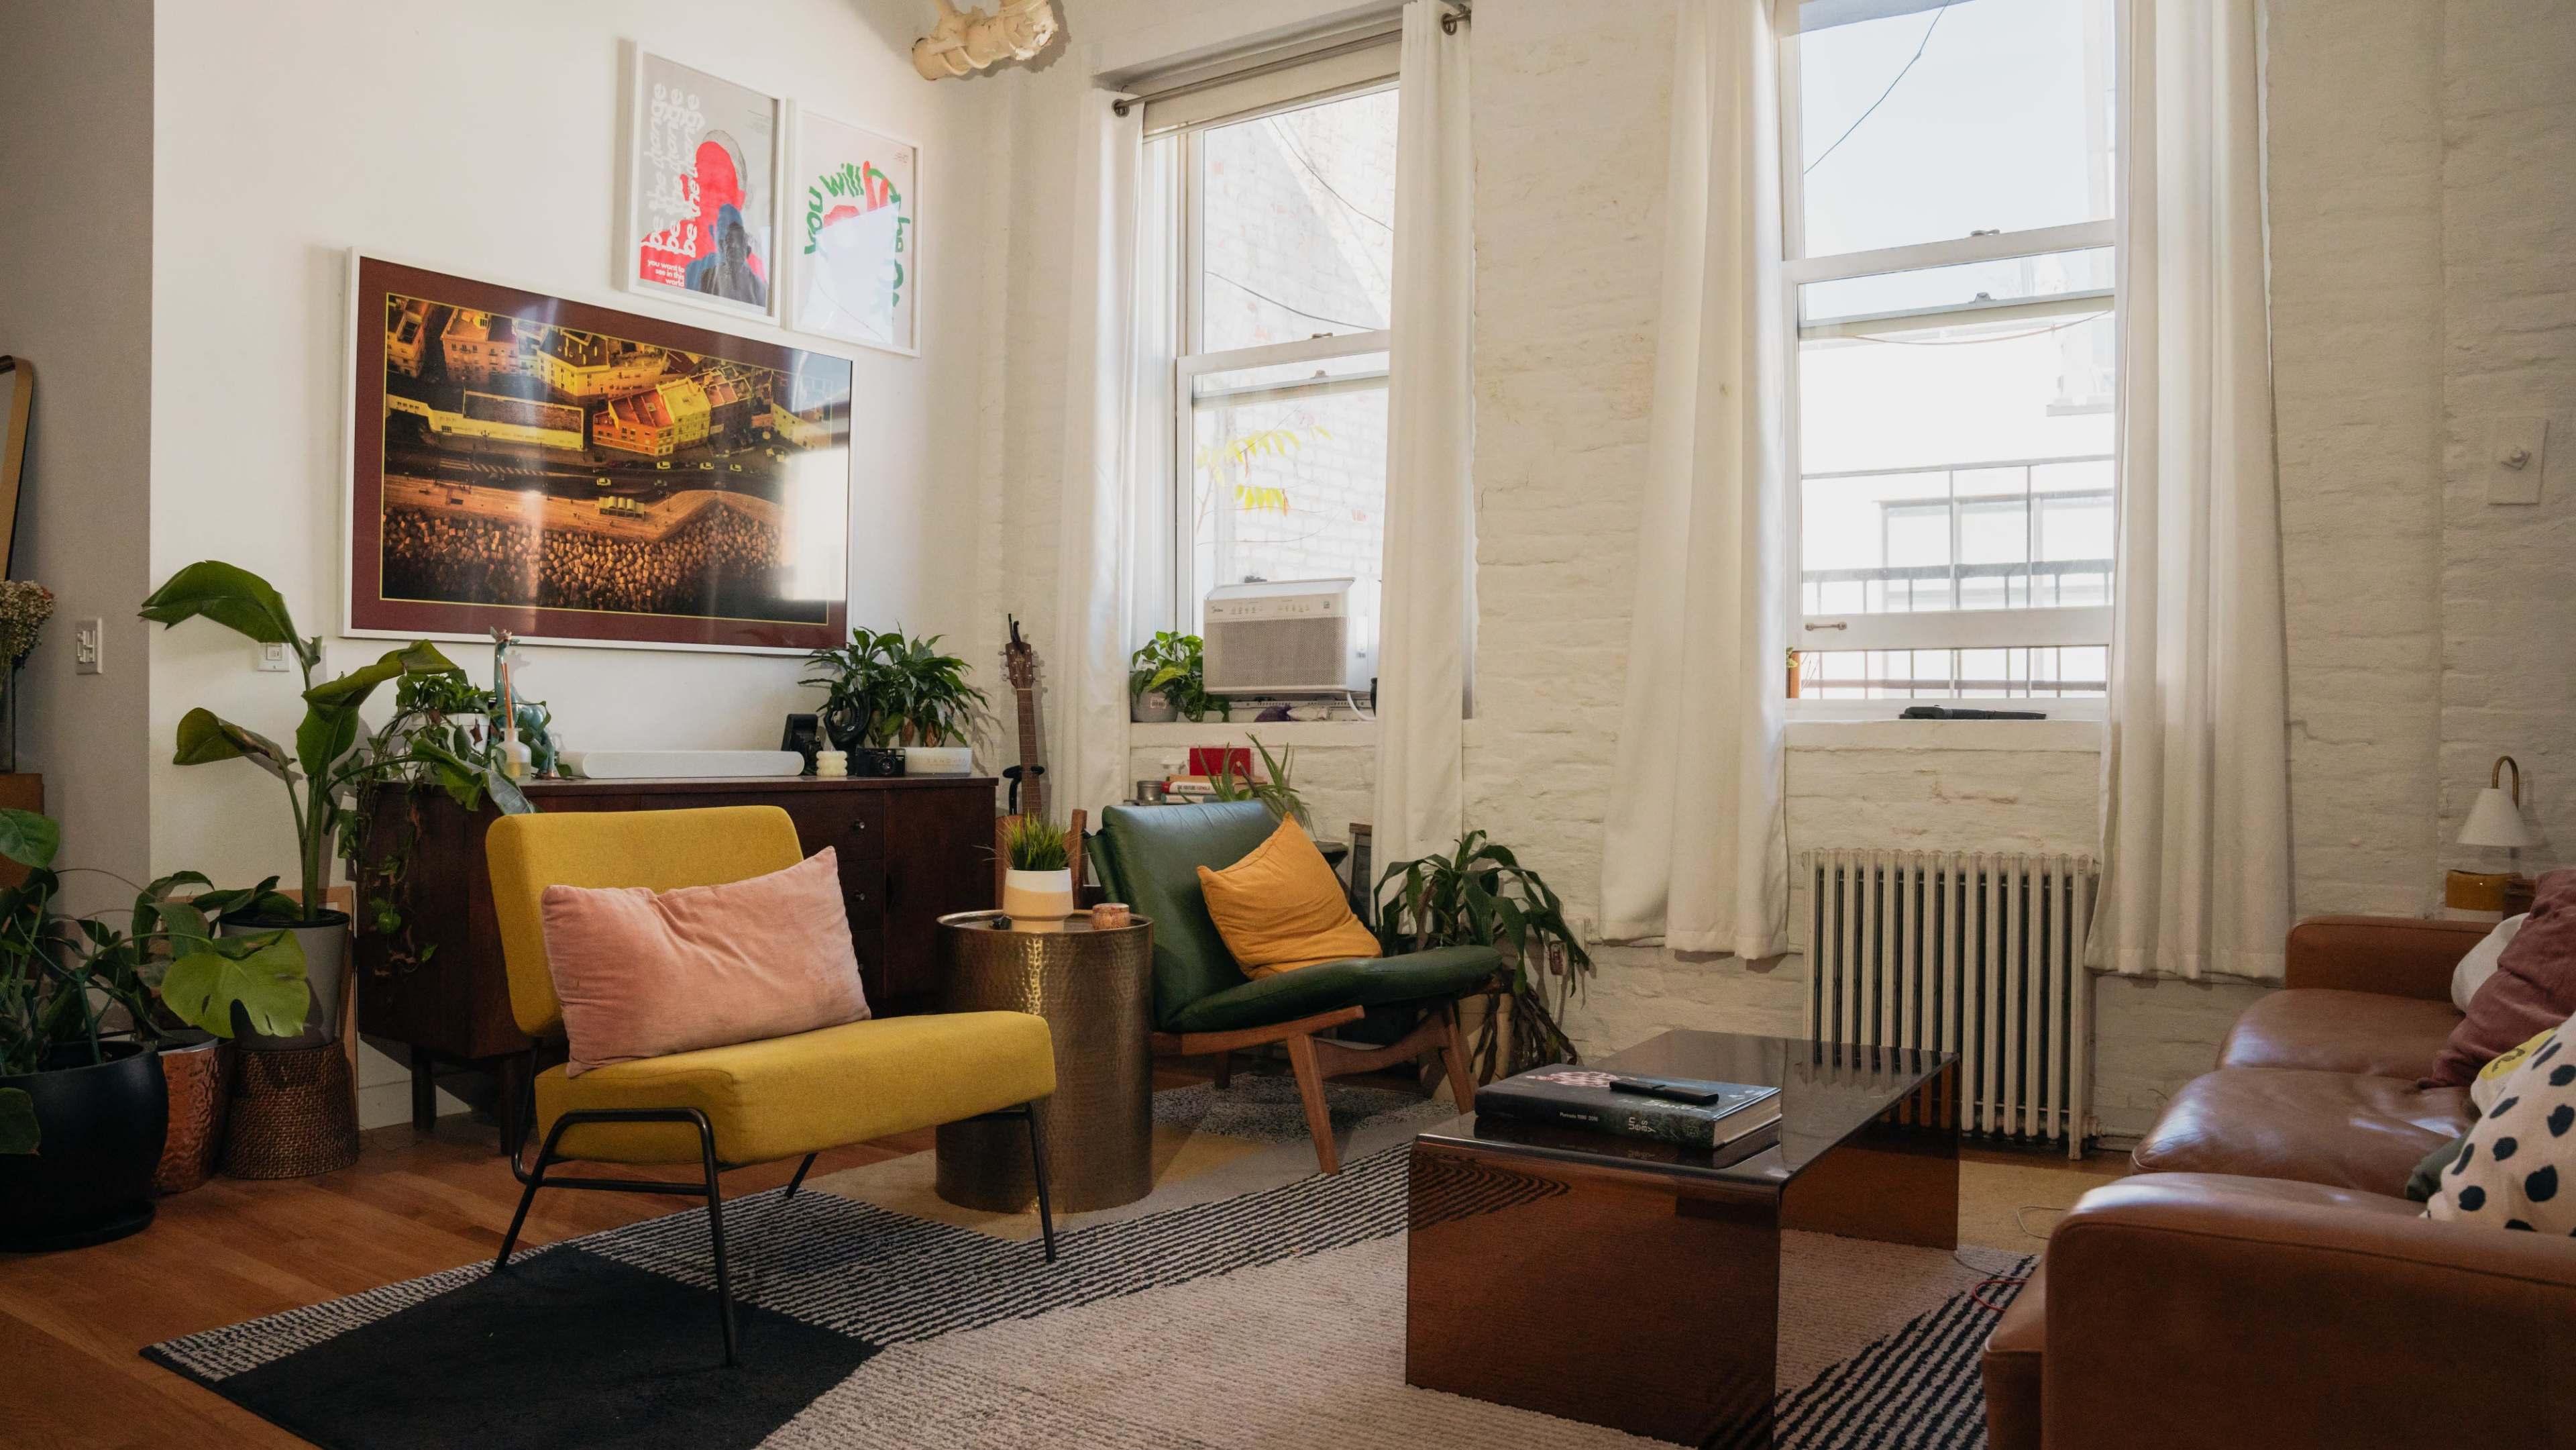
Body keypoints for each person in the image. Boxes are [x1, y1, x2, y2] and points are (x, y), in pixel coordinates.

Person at [689, 205, 767, 307]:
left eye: (739, 243)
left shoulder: (758, 286)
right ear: (723, 246)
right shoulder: (707, 276)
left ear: (747, 251)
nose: (734, 246)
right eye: (730, 241)